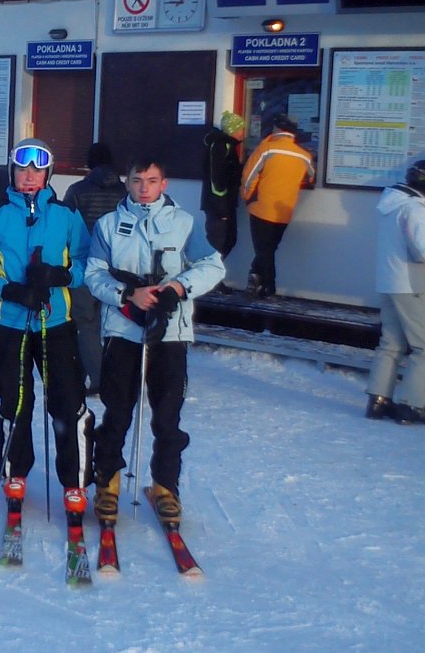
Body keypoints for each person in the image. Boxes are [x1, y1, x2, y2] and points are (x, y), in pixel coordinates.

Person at [0, 138, 94, 539]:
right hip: (7, 324)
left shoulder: (66, 215)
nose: (30, 176)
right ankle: (15, 473)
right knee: (15, 402)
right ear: (13, 172)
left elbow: (88, 262)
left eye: (38, 170)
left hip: (55, 323)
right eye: (23, 169)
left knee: (67, 403)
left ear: (48, 174)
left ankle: (74, 481)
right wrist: (9, 290)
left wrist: (61, 275)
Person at [85, 158, 225, 526]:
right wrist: (127, 294)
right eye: (137, 180)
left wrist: (178, 286)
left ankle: (165, 486)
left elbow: (212, 265)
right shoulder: (109, 225)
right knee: (117, 412)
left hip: (170, 332)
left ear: (163, 184)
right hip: (123, 330)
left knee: (167, 416)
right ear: (127, 183)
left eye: (152, 180)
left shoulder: (183, 223)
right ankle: (107, 482)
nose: (144, 188)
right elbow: (94, 274)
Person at [63, 142, 127, 394]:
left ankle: (99, 379)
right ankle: (119, 377)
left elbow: (66, 227)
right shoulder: (125, 191)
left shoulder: (77, 190)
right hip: (118, 269)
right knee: (116, 326)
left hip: (86, 265)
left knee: (85, 324)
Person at [365, 160, 425, 425]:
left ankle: (378, 401)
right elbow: (422, 249)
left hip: (389, 282)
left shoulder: (391, 204)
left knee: (391, 344)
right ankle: (413, 405)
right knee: (423, 346)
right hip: (412, 285)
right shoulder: (414, 209)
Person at [240, 113, 314, 298]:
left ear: (277, 129)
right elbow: (310, 177)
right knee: (269, 249)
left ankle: (268, 287)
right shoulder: (304, 155)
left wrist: (247, 197)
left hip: (262, 207)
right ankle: (256, 279)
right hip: (284, 211)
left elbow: (249, 176)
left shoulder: (266, 149)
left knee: (263, 251)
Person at [202, 111, 245, 263]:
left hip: (226, 205)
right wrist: (222, 209)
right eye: (240, 129)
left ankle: (213, 273)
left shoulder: (229, 146)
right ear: (232, 130)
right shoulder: (220, 146)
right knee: (218, 244)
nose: (243, 133)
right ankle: (206, 274)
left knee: (229, 240)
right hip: (218, 206)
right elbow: (216, 180)